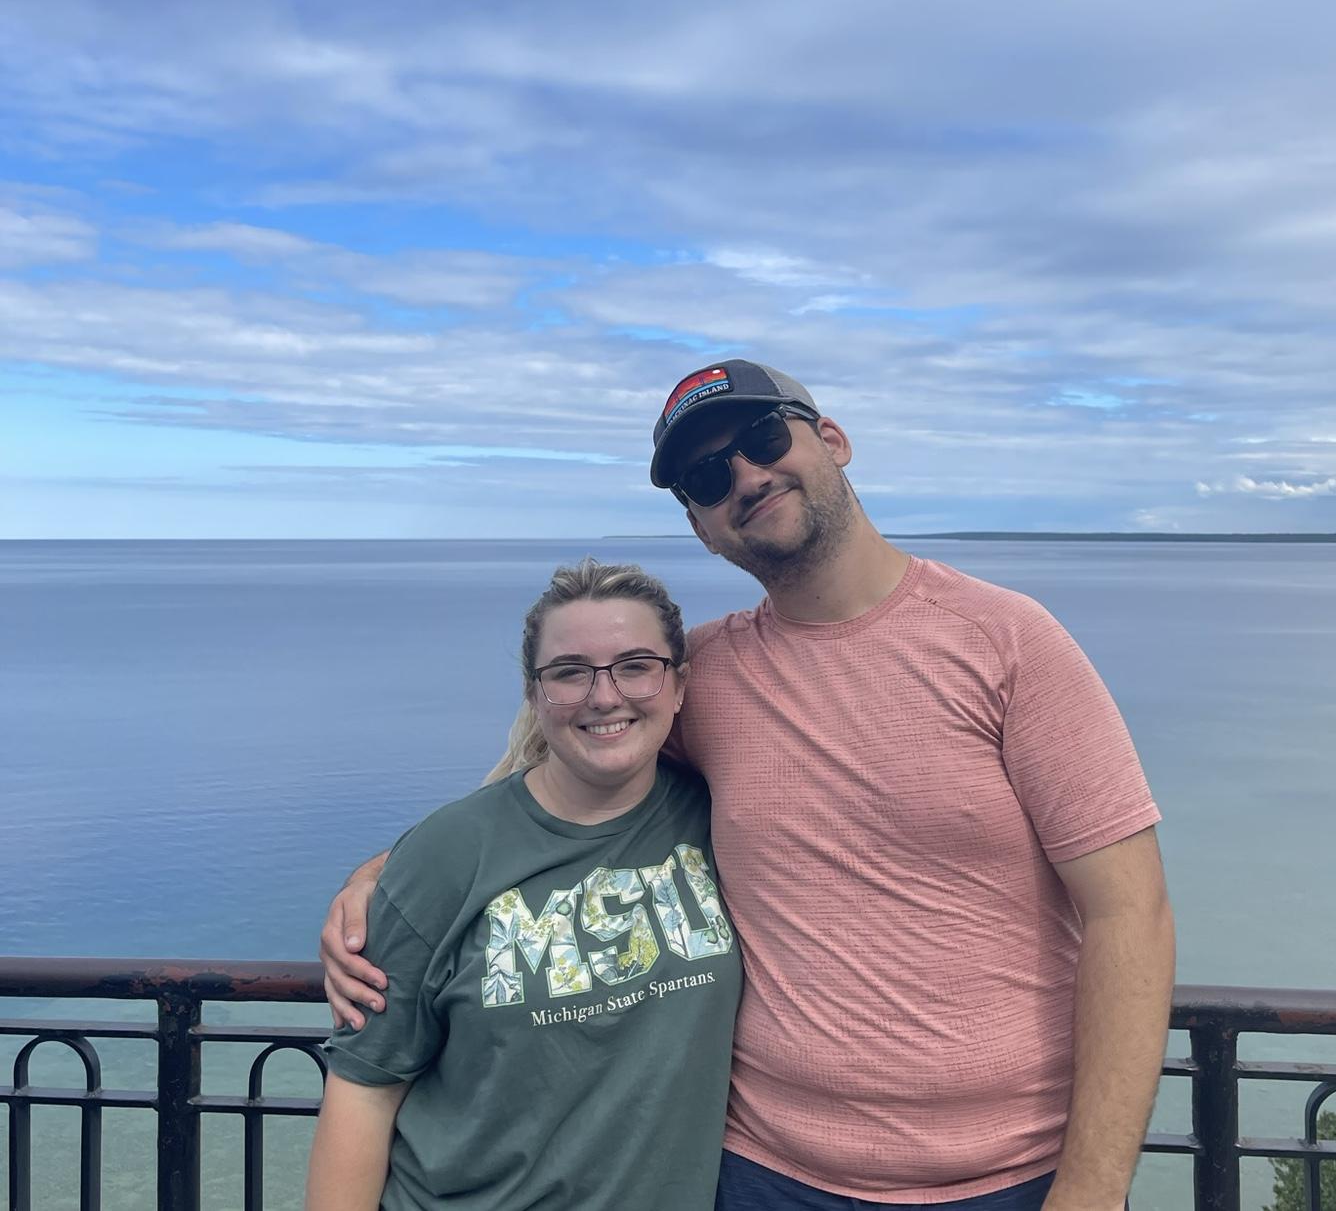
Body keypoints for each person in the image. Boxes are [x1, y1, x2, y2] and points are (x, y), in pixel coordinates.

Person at [322, 361, 1174, 1211]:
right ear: (702, 529)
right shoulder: (708, 675)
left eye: (763, 438)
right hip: (762, 1174)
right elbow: (553, 778)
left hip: (1009, 1177)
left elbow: (1130, 913)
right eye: (707, 476)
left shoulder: (1007, 641)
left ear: (832, 441)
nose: (745, 476)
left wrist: (1093, 1188)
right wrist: (390, 876)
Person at [306, 559, 741, 1211]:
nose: (604, 695)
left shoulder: (721, 821)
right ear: (535, 695)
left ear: (678, 685)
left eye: (635, 665)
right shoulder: (448, 854)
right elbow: (365, 1088)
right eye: (569, 672)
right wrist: (374, 877)